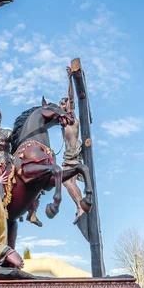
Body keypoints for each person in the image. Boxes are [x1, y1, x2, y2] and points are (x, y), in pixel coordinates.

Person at [60, 68, 86, 224]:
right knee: (65, 182)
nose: (61, 106)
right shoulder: (63, 122)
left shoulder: (71, 117)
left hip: (74, 154)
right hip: (67, 156)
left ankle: (81, 207)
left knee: (69, 181)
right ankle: (79, 207)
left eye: (62, 104)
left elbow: (70, 98)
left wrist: (69, 79)